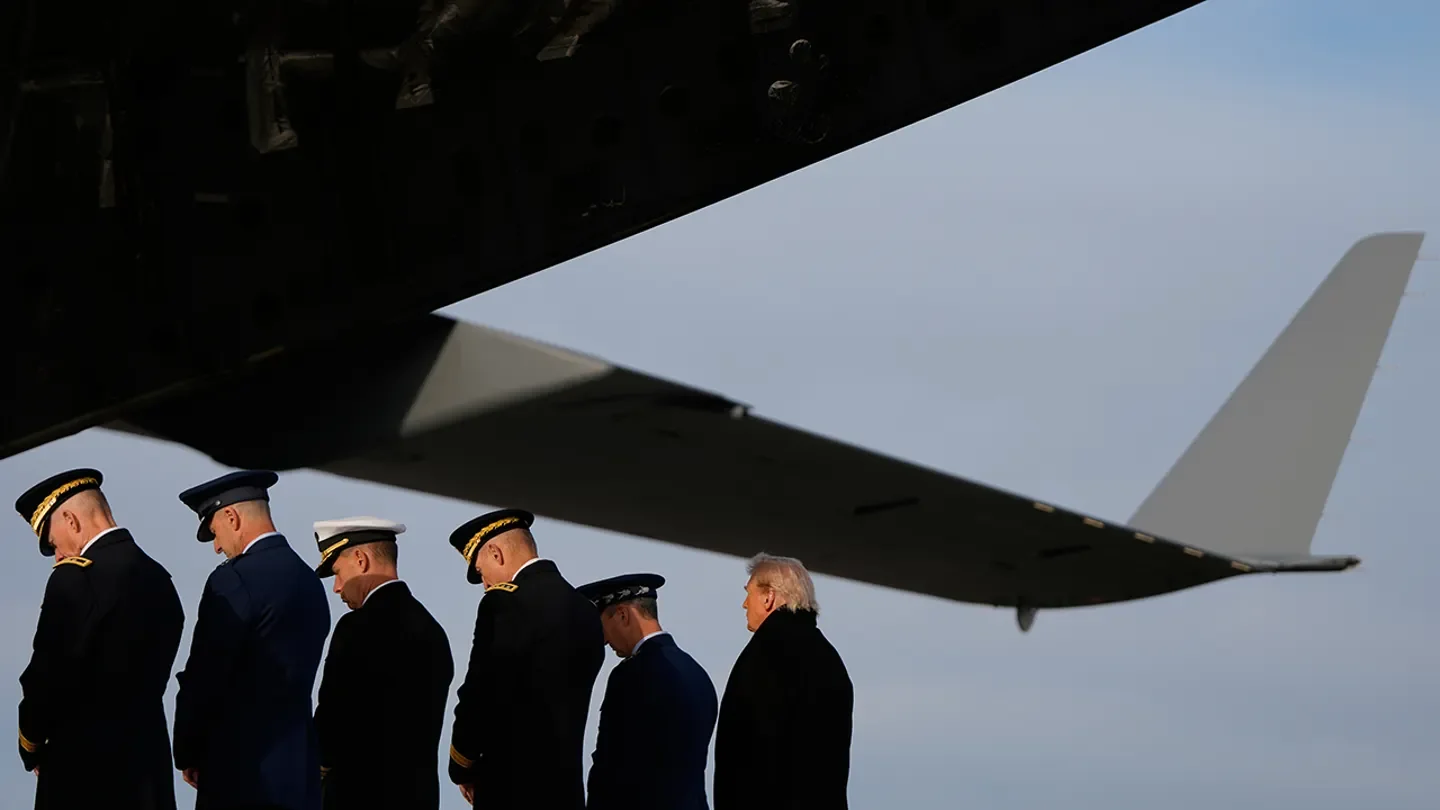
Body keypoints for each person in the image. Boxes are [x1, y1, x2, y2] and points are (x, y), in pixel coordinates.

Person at [12, 468, 186, 810]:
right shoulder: (160, 579)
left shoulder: (76, 579)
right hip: (148, 770)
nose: (59, 554)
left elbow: (46, 675)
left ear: (71, 521)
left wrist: (30, 743)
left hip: (85, 774)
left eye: (53, 542)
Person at [171, 469, 332, 810]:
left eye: (214, 532)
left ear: (231, 516)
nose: (216, 547)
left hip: (241, 774)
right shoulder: (309, 581)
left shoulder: (234, 580)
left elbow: (205, 674)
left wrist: (188, 748)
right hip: (300, 775)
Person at [445, 508, 603, 808]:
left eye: (481, 572)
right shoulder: (585, 610)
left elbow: (480, 691)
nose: (485, 584)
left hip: (511, 789)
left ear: (495, 552)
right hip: (565, 793)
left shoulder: (504, 602)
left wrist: (461, 764)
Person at [311, 516, 454, 810]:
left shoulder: (356, 627)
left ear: (361, 560)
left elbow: (332, 719)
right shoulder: (433, 630)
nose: (337, 587)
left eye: (337, 572)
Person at [713, 553, 854, 810]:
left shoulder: (763, 656)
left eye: (749, 593)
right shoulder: (830, 658)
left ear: (769, 597)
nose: (745, 604)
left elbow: (744, 757)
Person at [577, 573, 718, 810]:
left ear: (622, 615)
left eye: (602, 627)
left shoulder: (632, 674)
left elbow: (612, 767)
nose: (603, 640)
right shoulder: (697, 673)